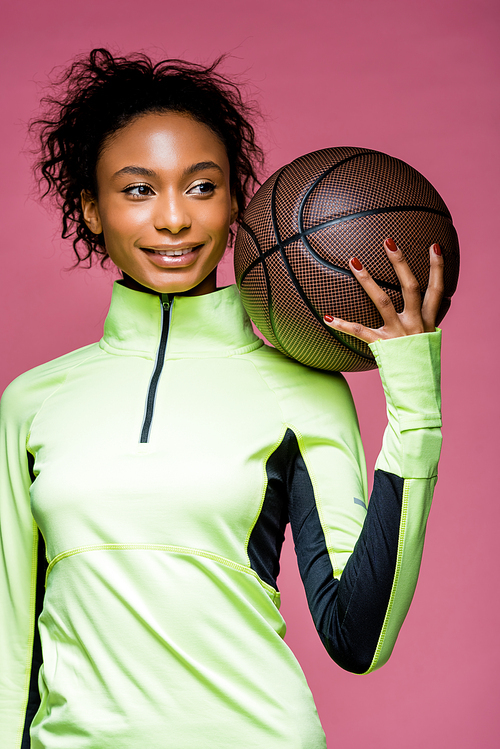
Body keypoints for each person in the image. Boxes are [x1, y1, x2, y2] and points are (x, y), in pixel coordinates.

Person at [0, 49, 444, 749]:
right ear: (90, 208)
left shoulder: (305, 390)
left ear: (238, 202)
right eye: (138, 189)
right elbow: (11, 637)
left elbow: (359, 636)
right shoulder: (32, 401)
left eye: (201, 187)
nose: (174, 219)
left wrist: (415, 396)